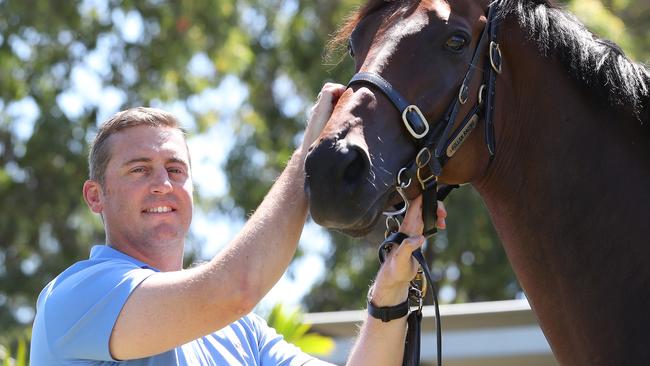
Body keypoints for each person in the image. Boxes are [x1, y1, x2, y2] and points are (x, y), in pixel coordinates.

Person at [30, 83, 446, 365]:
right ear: (95, 196)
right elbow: (232, 289)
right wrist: (309, 158)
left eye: (176, 170)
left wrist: (390, 290)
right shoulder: (75, 297)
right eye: (139, 170)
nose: (162, 185)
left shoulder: (239, 332)